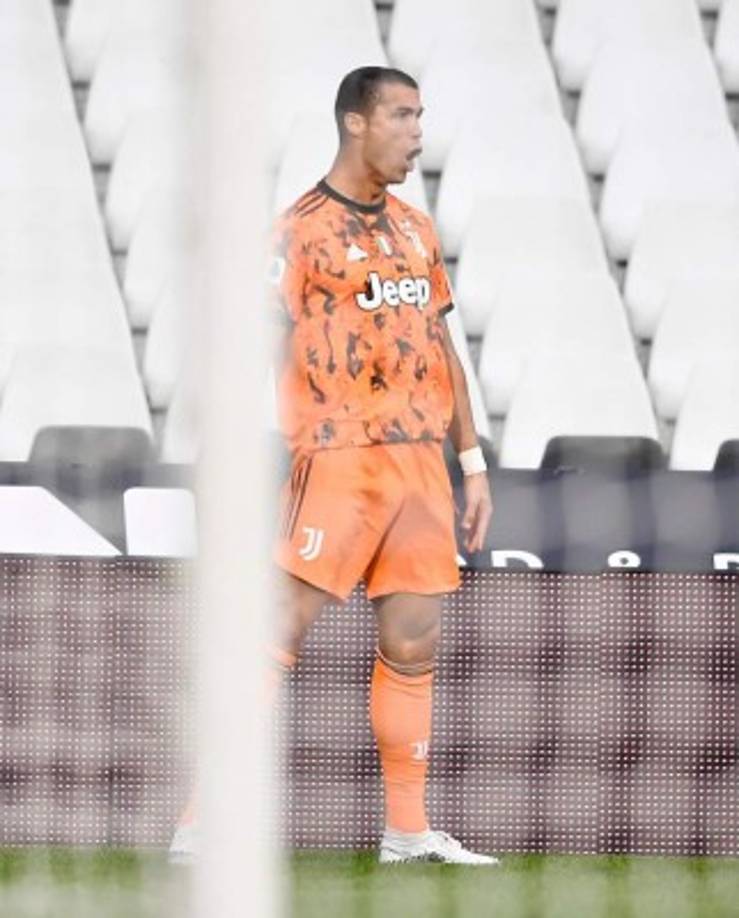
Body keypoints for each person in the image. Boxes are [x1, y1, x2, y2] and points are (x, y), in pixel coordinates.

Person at [171, 65, 498, 866]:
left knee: (413, 643)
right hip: (339, 459)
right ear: (356, 122)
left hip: (421, 465)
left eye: (420, 116)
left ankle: (407, 834)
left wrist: (471, 460)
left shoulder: (416, 229)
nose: (416, 133)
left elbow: (441, 346)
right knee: (273, 632)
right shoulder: (298, 231)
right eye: (401, 116)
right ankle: (199, 822)